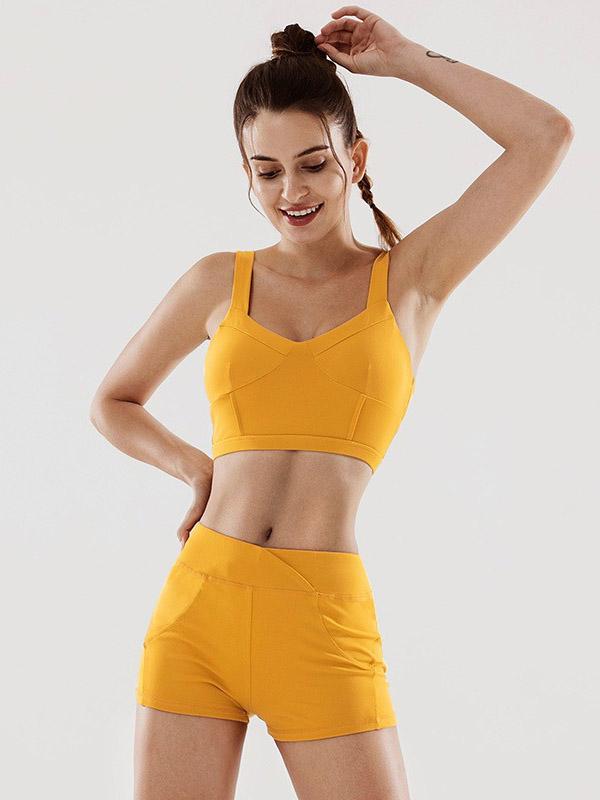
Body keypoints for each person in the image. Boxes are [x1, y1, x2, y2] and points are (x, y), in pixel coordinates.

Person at [89, 8, 574, 800]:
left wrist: (406, 59)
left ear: (356, 157)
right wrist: (192, 468)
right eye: (267, 171)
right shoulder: (218, 281)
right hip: (199, 607)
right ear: (247, 174)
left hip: (321, 617)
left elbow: (545, 136)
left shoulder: (411, 278)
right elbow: (114, 400)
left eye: (313, 164)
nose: (291, 191)